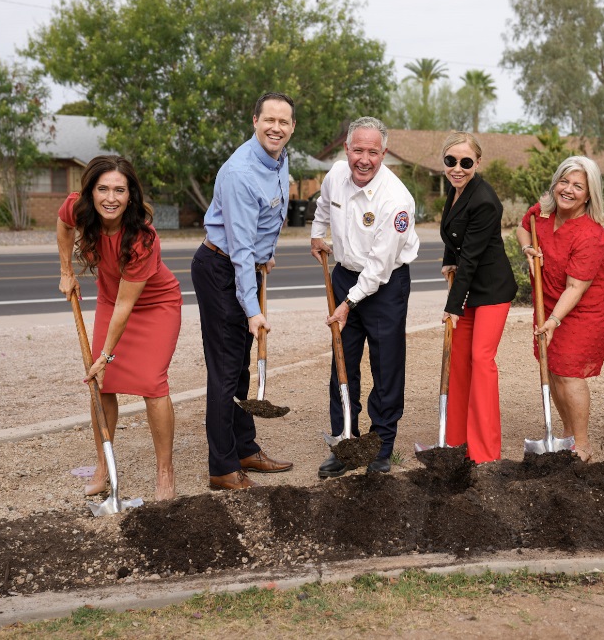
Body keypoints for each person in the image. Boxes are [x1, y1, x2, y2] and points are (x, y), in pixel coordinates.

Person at [57, 155, 181, 501]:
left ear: (130, 196)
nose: (110, 198)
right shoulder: (77, 208)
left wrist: (106, 354)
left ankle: (165, 471)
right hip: (111, 299)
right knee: (103, 383)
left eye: (119, 190)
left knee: (152, 384)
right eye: (103, 189)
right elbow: (62, 224)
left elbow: (130, 305)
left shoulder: (142, 238)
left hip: (155, 306)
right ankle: (104, 467)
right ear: (91, 192)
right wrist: (66, 270)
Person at [191, 92, 296, 491]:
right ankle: (221, 467)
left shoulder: (278, 159)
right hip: (221, 268)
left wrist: (266, 256)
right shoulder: (240, 172)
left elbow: (263, 223)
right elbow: (238, 247)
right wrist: (252, 311)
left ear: (291, 128)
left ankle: (244, 448)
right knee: (224, 372)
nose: (276, 127)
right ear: (255, 121)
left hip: (245, 264)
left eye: (283, 122)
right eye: (269, 119)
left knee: (239, 368)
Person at [311, 117, 420, 477]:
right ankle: (345, 442)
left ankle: (381, 446)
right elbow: (324, 206)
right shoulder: (334, 176)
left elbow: (378, 268)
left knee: (386, 366)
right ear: (346, 149)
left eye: (373, 152)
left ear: (383, 154)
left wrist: (348, 302)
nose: (364, 159)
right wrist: (316, 233)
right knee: (342, 361)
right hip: (344, 275)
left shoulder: (397, 201)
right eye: (358, 149)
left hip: (385, 285)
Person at [516, 156, 604, 462]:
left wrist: (555, 320)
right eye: (564, 181)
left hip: (587, 307)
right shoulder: (543, 213)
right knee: (553, 368)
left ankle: (582, 446)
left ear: (589, 195)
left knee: (569, 372)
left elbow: (576, 287)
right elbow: (523, 227)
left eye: (578, 186)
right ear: (555, 183)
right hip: (547, 297)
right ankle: (566, 434)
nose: (568, 190)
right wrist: (528, 249)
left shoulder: (590, 234)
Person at [439, 132, 518, 463]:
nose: (458, 168)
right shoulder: (457, 191)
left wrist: (452, 306)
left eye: (466, 162)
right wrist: (447, 259)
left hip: (492, 291)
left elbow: (470, 257)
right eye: (451, 161)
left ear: (477, 162)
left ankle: (485, 454)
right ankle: (457, 444)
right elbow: (455, 235)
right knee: (459, 363)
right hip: (469, 288)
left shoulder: (485, 200)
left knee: (481, 361)